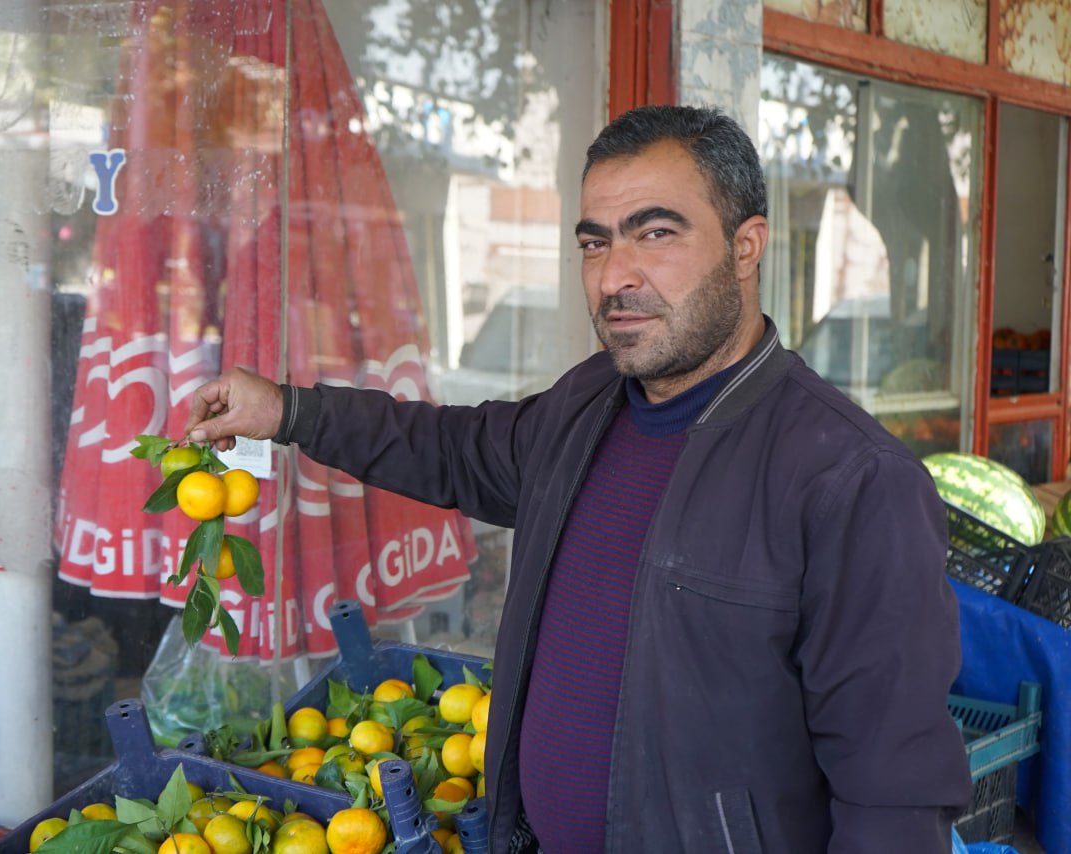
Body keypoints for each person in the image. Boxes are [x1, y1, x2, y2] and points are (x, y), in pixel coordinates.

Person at [185, 105, 973, 853]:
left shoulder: (851, 479)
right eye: (595, 243)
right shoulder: (586, 404)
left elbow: (894, 791)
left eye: (655, 233)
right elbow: (451, 448)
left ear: (746, 244)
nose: (613, 277)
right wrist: (288, 411)